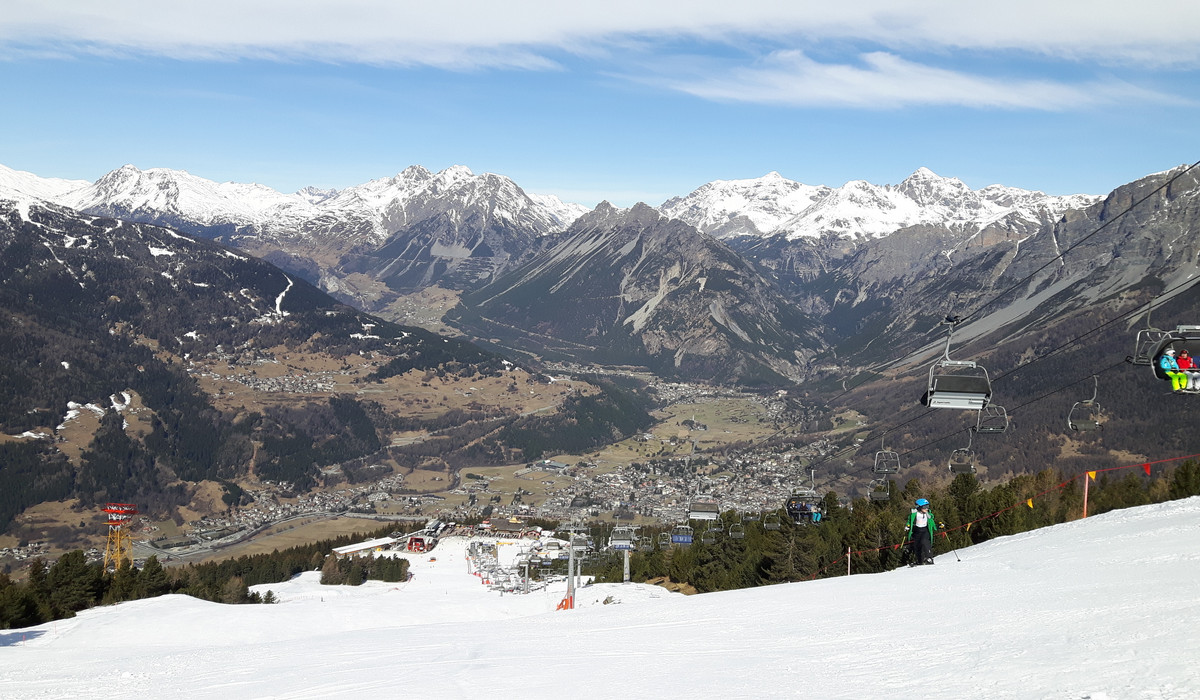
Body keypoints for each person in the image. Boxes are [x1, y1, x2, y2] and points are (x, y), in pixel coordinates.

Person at [905, 498, 938, 565]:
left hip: (925, 530)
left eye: (928, 507)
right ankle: (920, 560)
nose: (927, 509)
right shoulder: (914, 514)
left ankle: (929, 558)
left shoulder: (928, 514)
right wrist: (907, 526)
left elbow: (932, 522)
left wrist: (937, 526)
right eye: (925, 507)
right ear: (919, 507)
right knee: (917, 545)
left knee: (924, 541)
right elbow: (909, 521)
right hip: (917, 530)